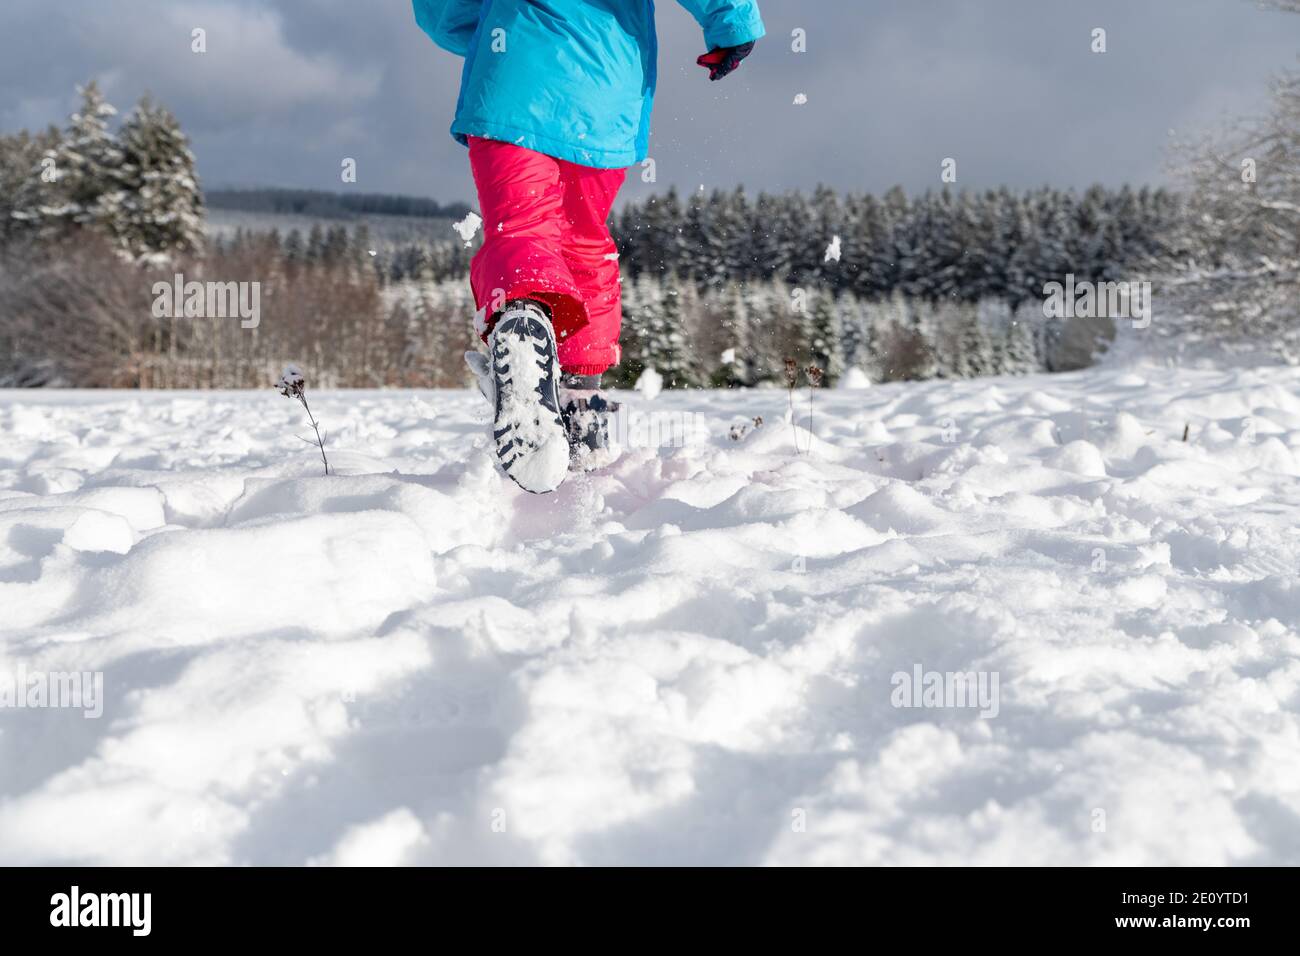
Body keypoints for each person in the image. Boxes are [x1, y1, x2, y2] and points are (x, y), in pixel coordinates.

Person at [413, 0, 765, 493]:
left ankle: (523, 322)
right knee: (583, 243)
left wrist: (496, 23)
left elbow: (443, 14)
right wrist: (732, 22)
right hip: (605, 91)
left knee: (522, 229)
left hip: (513, 79)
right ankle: (581, 402)